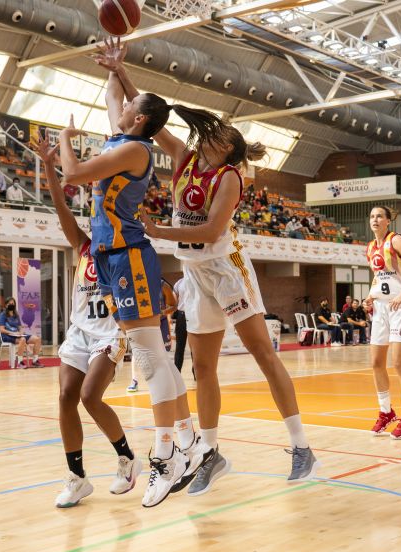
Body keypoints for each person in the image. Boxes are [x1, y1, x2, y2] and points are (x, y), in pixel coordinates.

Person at [101, 40, 316, 497]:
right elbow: (149, 116)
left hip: (226, 268)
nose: (209, 135)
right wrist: (120, 71)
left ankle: (301, 446)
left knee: (263, 353)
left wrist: (158, 230)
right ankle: (213, 452)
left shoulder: (231, 177)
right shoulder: (183, 158)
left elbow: (211, 230)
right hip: (195, 274)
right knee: (203, 367)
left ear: (229, 148)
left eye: (220, 134)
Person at [52, 38, 206, 509]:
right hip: (113, 256)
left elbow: (73, 172)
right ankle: (189, 440)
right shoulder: (124, 137)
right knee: (153, 355)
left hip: (129, 256)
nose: (120, 108)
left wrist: (61, 140)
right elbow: (113, 98)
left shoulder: (135, 150)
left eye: (130, 108)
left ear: (139, 120)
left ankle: (165, 457)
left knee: (151, 358)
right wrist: (116, 68)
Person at [34, 135, 139, 507]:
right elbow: (61, 205)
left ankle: (126, 457)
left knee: (90, 395)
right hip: (80, 330)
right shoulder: (83, 246)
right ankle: (77, 478)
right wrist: (49, 165)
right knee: (65, 397)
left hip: (111, 332)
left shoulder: (125, 249)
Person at [363, 206, 401, 439]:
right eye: (371, 216)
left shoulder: (395, 240)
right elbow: (380, 277)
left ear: (388, 221)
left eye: (379, 216)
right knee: (376, 362)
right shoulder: (370, 248)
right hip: (381, 308)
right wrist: (371, 295)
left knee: (399, 363)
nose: (375, 219)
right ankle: (385, 412)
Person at [0, 299, 43, 368]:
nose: (11, 305)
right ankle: (19, 362)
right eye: (9, 303)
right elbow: (2, 330)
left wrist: (21, 332)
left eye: (13, 304)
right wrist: (13, 332)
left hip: (18, 335)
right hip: (7, 336)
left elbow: (20, 327)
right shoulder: (3, 315)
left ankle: (35, 361)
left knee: (37, 339)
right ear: (6, 305)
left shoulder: (16, 315)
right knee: (23, 339)